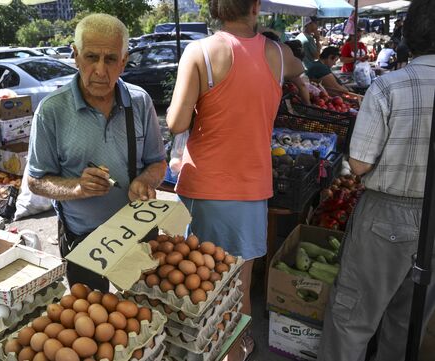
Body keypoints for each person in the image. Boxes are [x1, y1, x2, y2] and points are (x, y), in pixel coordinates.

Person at [166, 0, 305, 358]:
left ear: (213, 7)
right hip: (252, 188)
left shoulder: (200, 52)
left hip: (205, 187)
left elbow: (177, 123)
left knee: (200, 278)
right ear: (256, 6)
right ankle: (237, 348)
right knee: (239, 282)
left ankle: (201, 347)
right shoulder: (278, 54)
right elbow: (300, 66)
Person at [318, 1, 435, 360]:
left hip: (386, 215)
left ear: (407, 34)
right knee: (407, 320)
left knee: (353, 317)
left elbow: (359, 164)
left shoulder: (389, 87)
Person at [27, 13, 167, 293]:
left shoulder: (139, 102)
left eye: (111, 59)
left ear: (124, 61)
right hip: (84, 240)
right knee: (93, 322)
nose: (101, 70)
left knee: (144, 308)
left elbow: (158, 163)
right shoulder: (52, 111)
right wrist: (77, 187)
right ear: (75, 56)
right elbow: (36, 181)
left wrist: (145, 181)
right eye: (91, 57)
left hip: (137, 230)